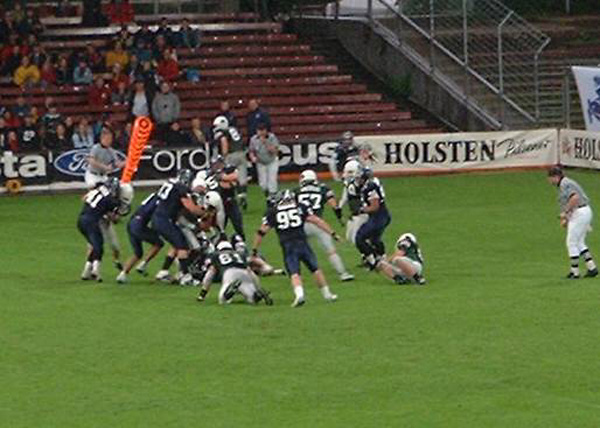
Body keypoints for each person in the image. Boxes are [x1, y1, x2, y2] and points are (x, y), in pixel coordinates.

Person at [252, 190, 339, 307]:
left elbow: (261, 232)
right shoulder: (300, 207)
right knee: (315, 269)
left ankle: (299, 295)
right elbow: (317, 221)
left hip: (288, 246)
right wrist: (332, 233)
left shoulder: (273, 212)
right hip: (302, 243)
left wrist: (255, 249)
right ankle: (327, 294)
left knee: (294, 272)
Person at [295, 169, 354, 282]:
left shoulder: (296, 191)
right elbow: (334, 206)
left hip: (301, 225)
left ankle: (295, 276)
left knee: (296, 251)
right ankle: (343, 274)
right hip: (319, 224)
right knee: (331, 251)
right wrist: (340, 218)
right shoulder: (323, 189)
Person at [152, 169, 206, 286]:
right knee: (183, 246)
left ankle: (163, 272)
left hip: (158, 217)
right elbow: (190, 208)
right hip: (165, 220)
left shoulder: (171, 183)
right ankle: (185, 277)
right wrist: (203, 212)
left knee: (176, 244)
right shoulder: (180, 188)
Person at [548, 166, 598, 279]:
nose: (549, 181)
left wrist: (565, 213)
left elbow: (575, 198)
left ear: (556, 177)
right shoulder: (566, 182)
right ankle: (592, 268)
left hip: (579, 212)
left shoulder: (565, 184)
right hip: (583, 212)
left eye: (550, 178)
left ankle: (575, 272)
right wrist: (567, 219)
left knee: (571, 242)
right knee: (579, 242)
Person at [78, 178, 132, 282]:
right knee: (98, 246)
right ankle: (95, 271)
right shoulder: (110, 200)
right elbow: (114, 218)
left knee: (94, 246)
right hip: (93, 222)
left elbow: (85, 198)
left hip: (81, 220)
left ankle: (86, 272)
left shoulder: (97, 191)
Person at [196, 240, 273, 305]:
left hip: (230, 273)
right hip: (244, 273)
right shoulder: (240, 254)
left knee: (222, 300)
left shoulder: (215, 255)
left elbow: (210, 273)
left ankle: (230, 290)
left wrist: (203, 293)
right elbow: (250, 271)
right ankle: (257, 294)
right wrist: (258, 287)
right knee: (252, 300)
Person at [117, 192, 165, 284]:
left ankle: (122, 274)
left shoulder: (153, 195)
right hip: (139, 225)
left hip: (131, 223)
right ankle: (143, 264)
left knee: (138, 253)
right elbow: (155, 217)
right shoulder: (161, 200)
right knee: (159, 243)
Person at [354, 166, 391, 269]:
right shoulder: (369, 185)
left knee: (359, 238)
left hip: (379, 217)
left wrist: (361, 210)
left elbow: (375, 207)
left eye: (359, 178)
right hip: (381, 216)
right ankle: (382, 259)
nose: (358, 180)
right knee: (374, 239)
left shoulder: (370, 187)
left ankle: (372, 261)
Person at [212, 115, 248, 210]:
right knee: (241, 177)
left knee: (229, 176)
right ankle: (242, 196)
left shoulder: (222, 132)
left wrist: (223, 156)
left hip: (231, 155)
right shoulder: (234, 129)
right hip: (242, 153)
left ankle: (230, 197)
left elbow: (224, 142)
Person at [249, 123, 279, 197]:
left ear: (266, 130)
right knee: (263, 183)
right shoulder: (253, 139)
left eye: (263, 130)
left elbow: (274, 151)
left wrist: (265, 142)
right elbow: (251, 151)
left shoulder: (272, 137)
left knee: (272, 179)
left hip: (272, 161)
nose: (261, 132)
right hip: (260, 162)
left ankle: (273, 195)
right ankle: (266, 194)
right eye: (259, 130)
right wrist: (253, 157)